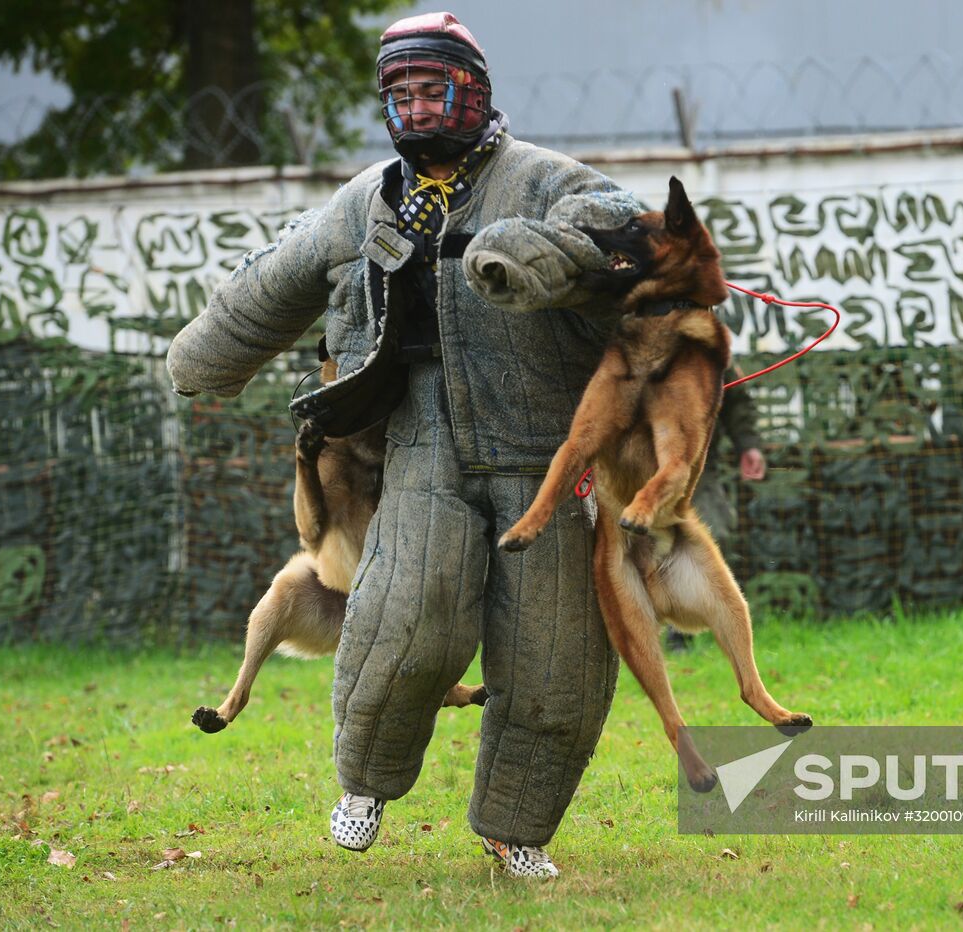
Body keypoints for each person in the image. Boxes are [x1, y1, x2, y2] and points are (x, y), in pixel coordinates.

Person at [167, 12, 642, 879]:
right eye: (403, 95)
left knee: (555, 655)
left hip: (548, 457)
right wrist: (202, 360)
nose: (419, 109)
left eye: (435, 91)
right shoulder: (367, 201)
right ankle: (366, 785)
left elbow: (628, 231)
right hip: (420, 450)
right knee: (401, 620)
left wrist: (537, 252)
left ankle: (516, 831)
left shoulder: (545, 178)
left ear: (475, 91)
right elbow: (275, 280)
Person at [666, 364, 767, 652]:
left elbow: (736, 401)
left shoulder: (712, 354)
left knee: (713, 530)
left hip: (698, 467)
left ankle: (681, 632)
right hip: (641, 464)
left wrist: (748, 445)